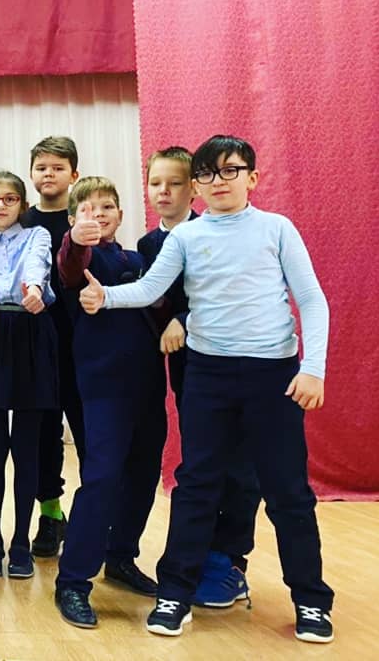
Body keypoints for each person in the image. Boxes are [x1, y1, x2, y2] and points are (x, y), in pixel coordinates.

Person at [80, 135, 334, 644]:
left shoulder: (276, 229)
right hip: (208, 375)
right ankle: (175, 593)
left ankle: (311, 600)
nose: (219, 181)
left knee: (287, 490)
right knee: (195, 484)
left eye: (230, 170)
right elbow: (150, 289)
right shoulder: (186, 238)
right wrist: (105, 296)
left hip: (273, 375)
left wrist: (314, 368)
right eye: (208, 174)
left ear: (252, 177)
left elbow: (310, 298)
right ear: (197, 185)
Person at [139, 146, 259, 610]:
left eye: (175, 183)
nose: (164, 192)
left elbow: (230, 292)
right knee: (200, 464)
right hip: (189, 370)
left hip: (239, 361)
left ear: (194, 188)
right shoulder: (149, 245)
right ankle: (194, 559)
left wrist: (184, 319)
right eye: (156, 183)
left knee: (240, 463)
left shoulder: (220, 231)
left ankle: (230, 562)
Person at [52, 177, 166, 629]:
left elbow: (163, 301)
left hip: (149, 384)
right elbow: (69, 264)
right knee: (101, 477)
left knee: (144, 474)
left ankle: (120, 556)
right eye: (88, 208)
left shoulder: (140, 260)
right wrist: (75, 240)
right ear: (73, 218)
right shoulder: (80, 258)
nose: (98, 215)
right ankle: (73, 581)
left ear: (120, 214)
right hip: (103, 387)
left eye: (106, 207)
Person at [0, 171, 57, 579]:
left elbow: (36, 268)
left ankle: (21, 542)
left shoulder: (37, 235)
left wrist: (34, 290)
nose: (1, 205)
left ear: (23, 204)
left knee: (26, 446)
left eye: (9, 198)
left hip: (31, 332)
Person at [21, 136, 81, 558]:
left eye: (58, 168)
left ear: (73, 174)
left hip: (82, 346)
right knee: (43, 435)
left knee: (89, 434)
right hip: (35, 345)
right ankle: (50, 513)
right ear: (31, 173)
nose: (49, 174)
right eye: (41, 167)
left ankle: (95, 515)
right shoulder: (22, 222)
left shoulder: (85, 217)